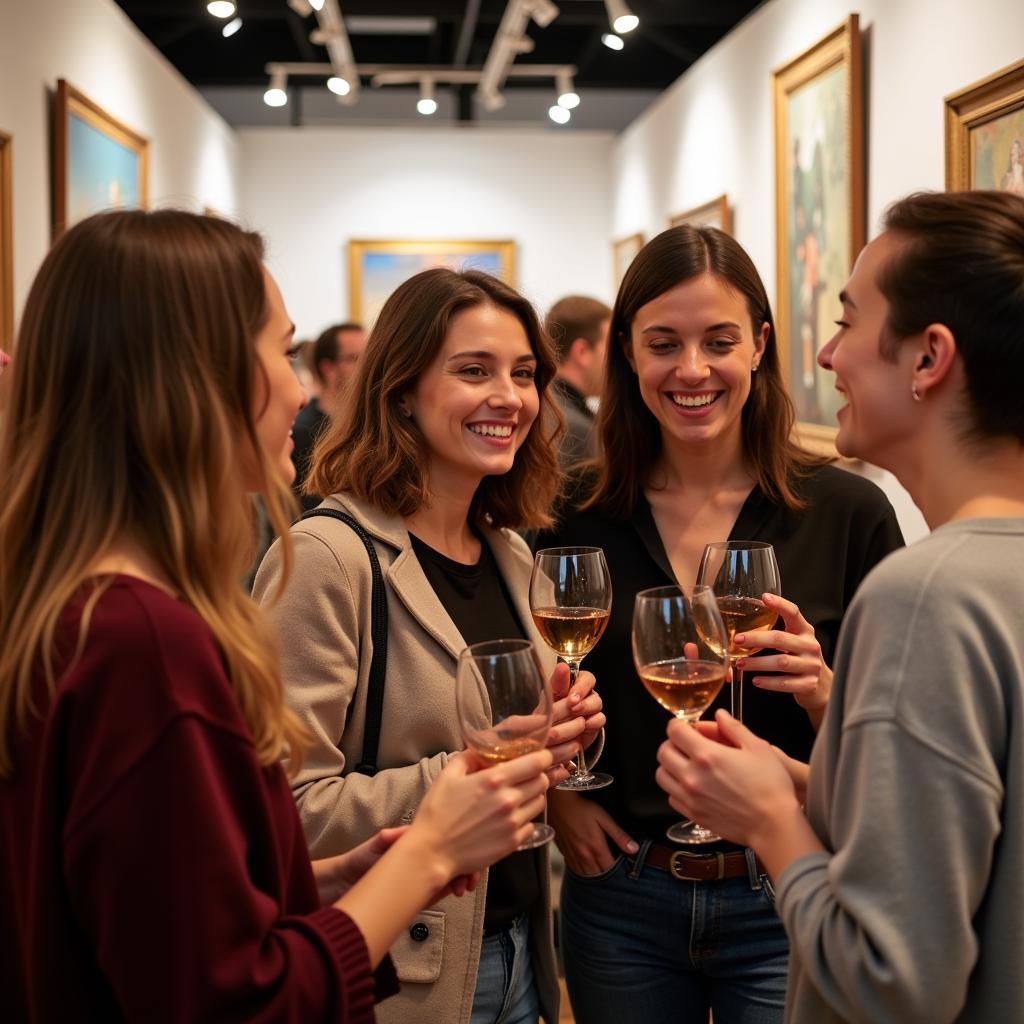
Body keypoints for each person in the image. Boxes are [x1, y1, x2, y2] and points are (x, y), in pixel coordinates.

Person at [0, 210, 557, 1023]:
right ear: (195, 377)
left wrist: (314, 882)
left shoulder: (72, 609)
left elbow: (168, 903)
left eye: (523, 372)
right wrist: (434, 841)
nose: (303, 389)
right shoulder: (143, 640)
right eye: (285, 351)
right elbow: (238, 998)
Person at [657, 189, 1024, 1023]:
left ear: (929, 359)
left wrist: (773, 825)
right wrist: (802, 782)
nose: (826, 356)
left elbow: (891, 981)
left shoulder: (927, 596)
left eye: (848, 321)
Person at [536, 224, 903, 1023]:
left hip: (789, 892)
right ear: (626, 353)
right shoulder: (570, 514)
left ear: (761, 346)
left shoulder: (847, 512)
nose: (692, 370)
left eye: (720, 341)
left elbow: (895, 750)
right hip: (622, 896)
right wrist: (558, 798)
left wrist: (824, 691)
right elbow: (529, 697)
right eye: (663, 343)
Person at [253, 267, 605, 1024]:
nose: (507, 397)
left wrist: (558, 741)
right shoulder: (327, 558)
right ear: (402, 390)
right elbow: (282, 812)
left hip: (522, 955)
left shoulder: (510, 554)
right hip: (401, 976)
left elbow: (515, 765)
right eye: (473, 371)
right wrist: (474, 769)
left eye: (522, 374)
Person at [292, 321, 367, 511]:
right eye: (355, 358)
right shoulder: (302, 431)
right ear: (328, 368)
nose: (367, 366)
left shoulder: (369, 425)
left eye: (369, 357)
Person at [543, 295, 611, 469]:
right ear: (582, 352)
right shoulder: (573, 429)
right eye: (612, 348)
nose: (619, 360)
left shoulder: (546, 408)